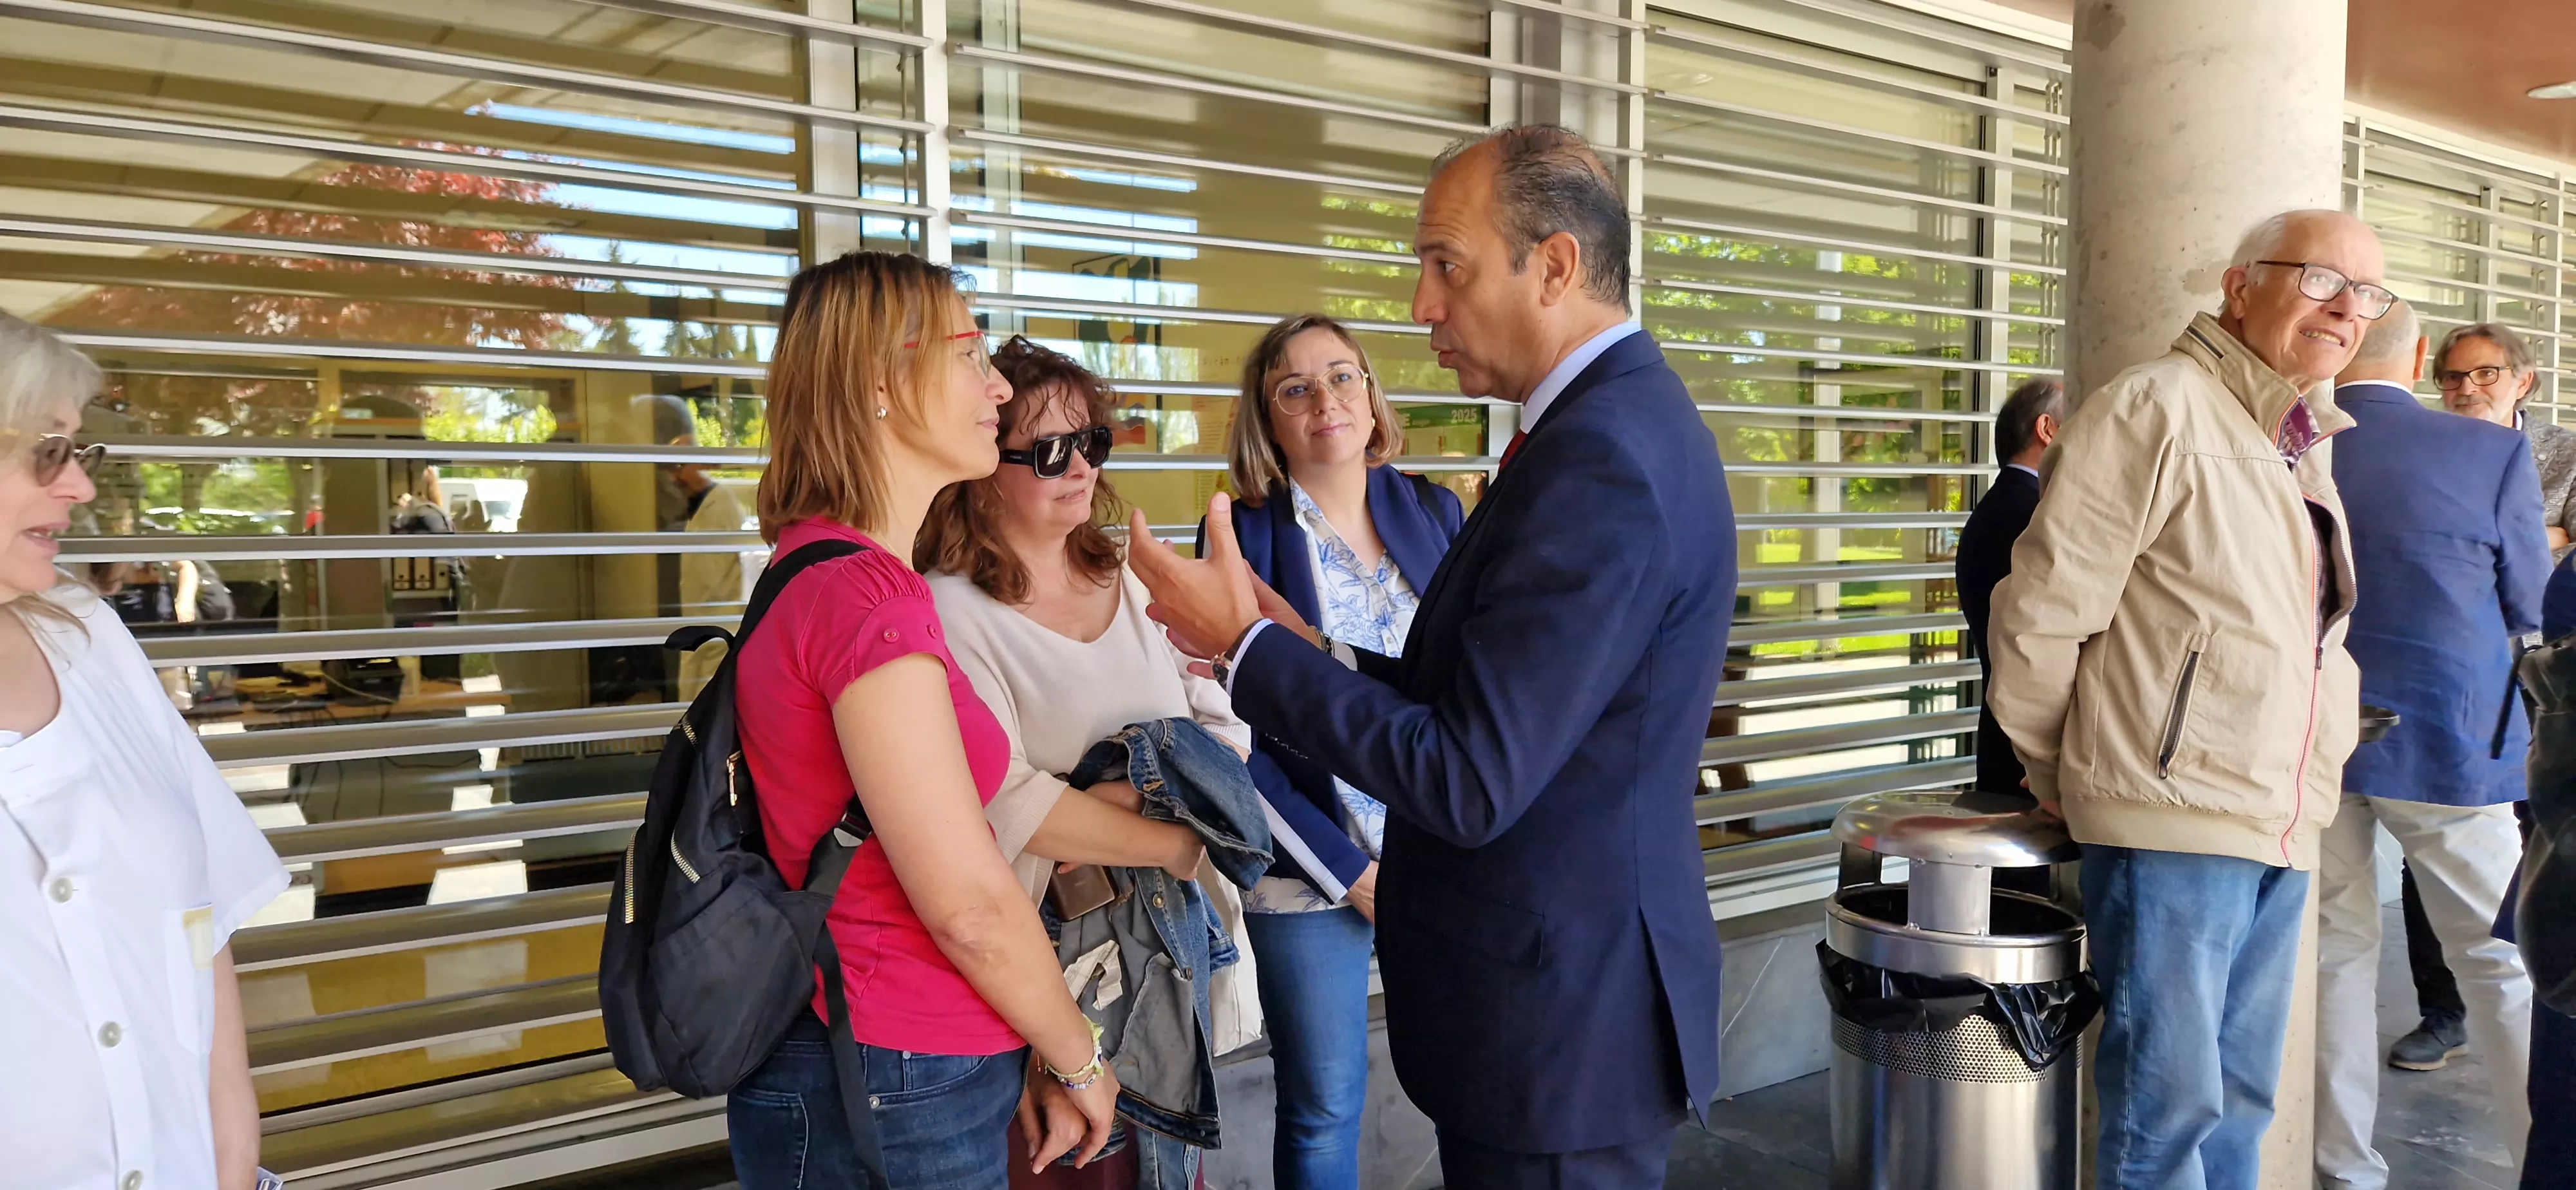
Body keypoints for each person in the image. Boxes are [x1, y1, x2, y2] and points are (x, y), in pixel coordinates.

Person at [1128, 124, 1733, 1189]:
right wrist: (1301, 642)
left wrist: (1246, 644)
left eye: (1444, 264)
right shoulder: (1607, 425)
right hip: (1555, 1007)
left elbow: (1469, 772)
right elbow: (1490, 690)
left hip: (1556, 1025)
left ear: (1553, 266)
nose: (1420, 306)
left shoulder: (1599, 455)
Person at [1986, 209, 2390, 1189]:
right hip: (2173, 822)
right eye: (2320, 280)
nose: (2346, 310)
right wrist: (2060, 771)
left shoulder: (2300, 443)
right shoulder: (2155, 407)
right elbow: (2040, 614)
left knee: (2241, 1103)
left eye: (2367, 295)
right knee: (2162, 1120)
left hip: (2277, 820)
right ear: (2239, 285)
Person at [726, 252, 1121, 1190]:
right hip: (892, 1062)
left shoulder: (822, 566)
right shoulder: (868, 603)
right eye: (968, 352)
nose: (995, 385)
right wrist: (1079, 1056)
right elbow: (970, 906)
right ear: (878, 384)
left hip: (881, 1049)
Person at [914, 335, 1246, 1185]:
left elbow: (1226, 736)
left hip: (1173, 936)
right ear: (984, 468)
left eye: (1090, 441)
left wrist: (1112, 798)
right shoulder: (950, 613)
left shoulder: (1134, 578)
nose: (1080, 467)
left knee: (1171, 1162)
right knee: (1078, 1170)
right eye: (1049, 451)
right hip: (1048, 948)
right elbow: (1008, 810)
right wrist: (1177, 832)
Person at [0, 313, 289, 1190]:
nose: (80, 488)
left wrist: (235, 1166)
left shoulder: (88, 637)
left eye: (80, 452)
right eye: (47, 452)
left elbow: (201, 931)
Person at [1204, 312, 1464, 1190]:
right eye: (1296, 387)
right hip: (1308, 861)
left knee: (1479, 1080)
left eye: (1343, 375)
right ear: (1267, 418)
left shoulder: (1436, 510)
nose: (1326, 399)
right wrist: (1347, 868)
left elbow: (1463, 686)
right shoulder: (1241, 535)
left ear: (1370, 391)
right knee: (1322, 1108)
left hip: (1441, 850)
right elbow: (1233, 732)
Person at [2314, 298, 2543, 1187]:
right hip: (2452, 734)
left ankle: (2343, 1166)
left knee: (2334, 956)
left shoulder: (2297, 445)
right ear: (2417, 361)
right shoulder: (2491, 450)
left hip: (2319, 737)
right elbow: (2530, 601)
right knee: (2497, 959)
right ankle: (2543, 1161)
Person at [1957, 378, 2063, 798]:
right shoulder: (2031, 516)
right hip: (2027, 754)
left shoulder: (2000, 507)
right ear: (2048, 429)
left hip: (2006, 740)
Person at [2438, 323, 2575, 555]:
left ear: (2523, 383)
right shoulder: (2422, 453)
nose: (2467, 388)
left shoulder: (2569, 453)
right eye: (2453, 376)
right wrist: (2532, 539)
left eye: (2486, 373)